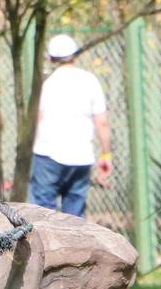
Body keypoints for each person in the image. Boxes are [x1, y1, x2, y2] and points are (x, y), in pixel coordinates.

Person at [30, 34, 112, 218]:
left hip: (47, 157)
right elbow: (102, 122)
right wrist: (106, 155)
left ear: (51, 59)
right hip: (81, 158)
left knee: (41, 216)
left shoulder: (47, 84)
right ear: (75, 55)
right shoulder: (90, 81)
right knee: (75, 220)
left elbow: (38, 120)